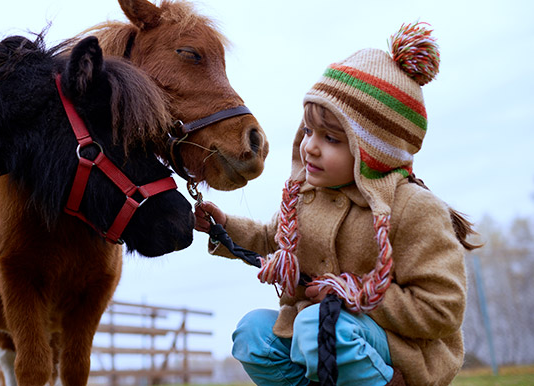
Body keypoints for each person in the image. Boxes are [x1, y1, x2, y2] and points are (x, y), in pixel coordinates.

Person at [195, 23, 475, 385]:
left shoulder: (412, 209)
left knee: (316, 325)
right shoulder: (306, 197)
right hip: (321, 335)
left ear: (373, 149)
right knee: (253, 334)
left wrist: (353, 295)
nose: (310, 146)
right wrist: (223, 227)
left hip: (398, 351)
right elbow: (271, 238)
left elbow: (443, 307)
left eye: (331, 138)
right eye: (308, 131)